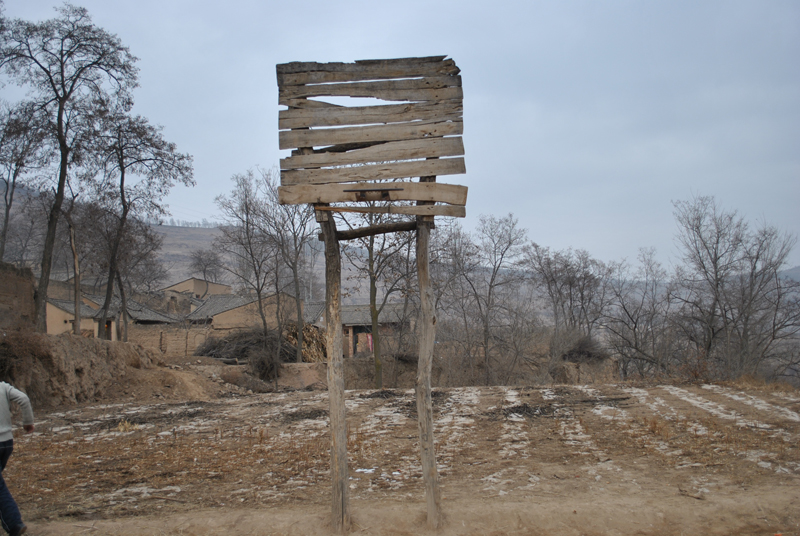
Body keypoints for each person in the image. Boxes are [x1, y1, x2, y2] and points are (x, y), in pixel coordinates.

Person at [0, 381, 33, 536]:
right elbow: (24, 399)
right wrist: (28, 422)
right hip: (6, 442)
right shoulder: (3, 387)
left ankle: (14, 523)